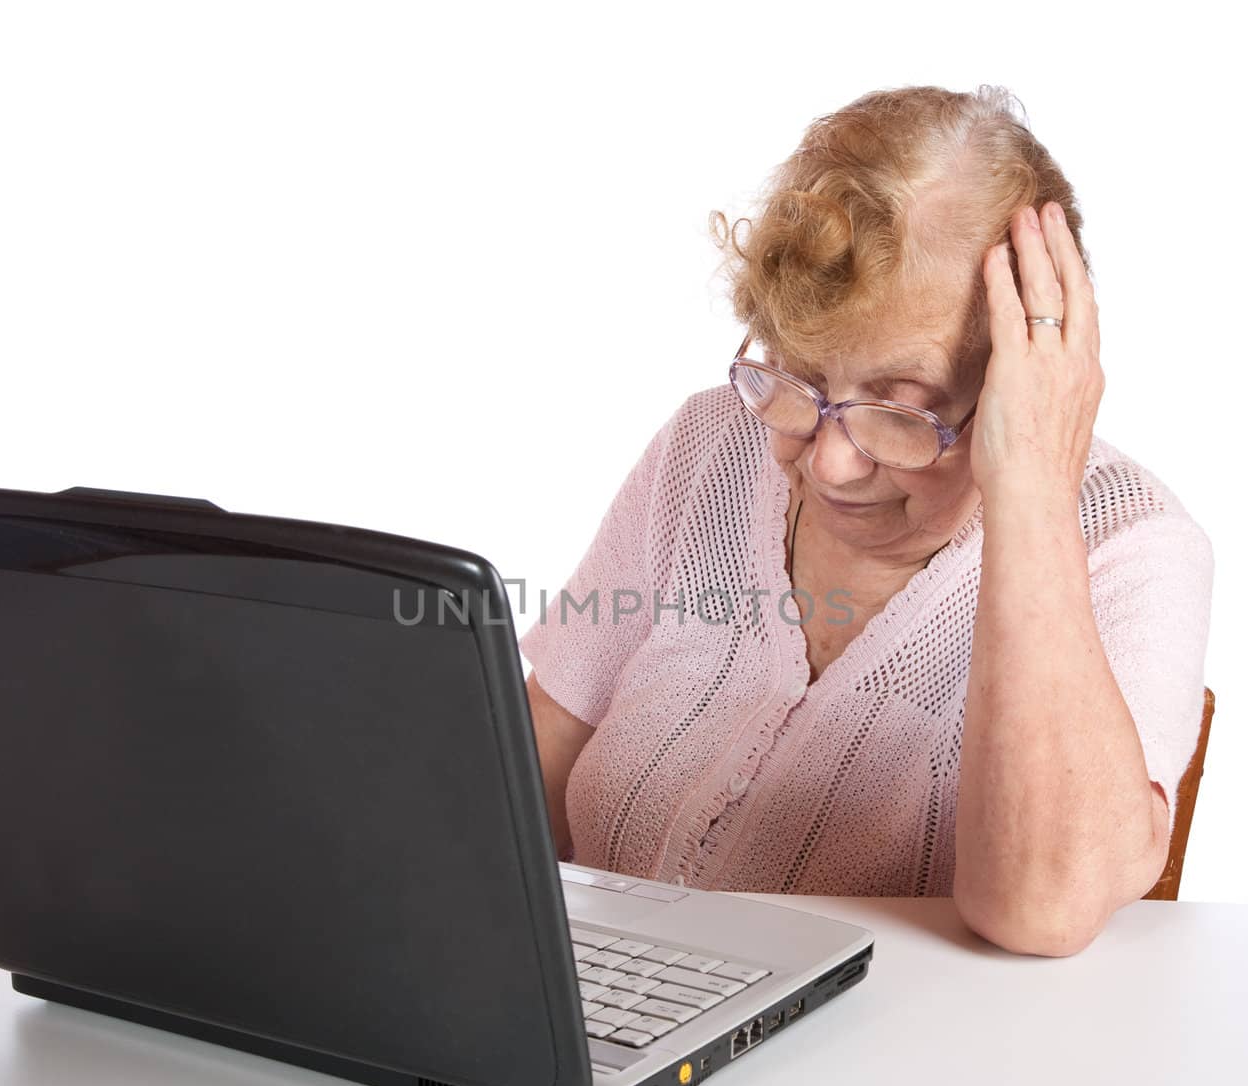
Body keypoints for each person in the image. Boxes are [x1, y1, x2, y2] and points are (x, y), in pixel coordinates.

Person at [518, 85, 1213, 957]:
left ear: (1023, 383)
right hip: (629, 1044)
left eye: (903, 410)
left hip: (903, 1083)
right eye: (799, 376)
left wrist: (1031, 487)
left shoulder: (1132, 544)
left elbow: (1044, 907)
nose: (830, 462)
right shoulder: (713, 442)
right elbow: (525, 780)